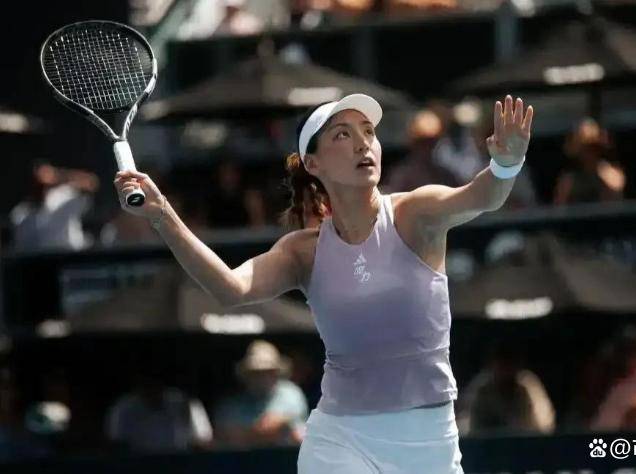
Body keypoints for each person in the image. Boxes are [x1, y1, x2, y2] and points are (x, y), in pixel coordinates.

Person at [113, 92, 534, 473]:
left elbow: (485, 195)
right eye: (342, 135)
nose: (363, 143)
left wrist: (507, 163)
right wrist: (162, 215)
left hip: (429, 440)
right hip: (340, 437)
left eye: (368, 132)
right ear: (313, 164)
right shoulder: (303, 252)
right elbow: (229, 288)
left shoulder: (415, 213)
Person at [213, 340, 308, 447]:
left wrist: (251, 433)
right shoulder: (231, 405)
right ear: (246, 375)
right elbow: (227, 435)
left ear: (276, 373)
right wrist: (258, 432)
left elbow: (290, 429)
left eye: (268, 372)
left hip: (286, 456)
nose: (263, 378)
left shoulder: (291, 394)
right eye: (256, 373)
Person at [457, 341, 555, 435]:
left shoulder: (528, 388)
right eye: (501, 363)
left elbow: (544, 427)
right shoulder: (481, 390)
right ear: (492, 365)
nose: (505, 370)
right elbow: (467, 429)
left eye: (509, 363)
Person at [106, 369, 212, 453]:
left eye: (154, 383)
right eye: (146, 384)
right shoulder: (123, 408)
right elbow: (116, 445)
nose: (151, 389)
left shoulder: (187, 403)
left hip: (181, 465)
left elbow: (204, 442)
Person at [10, 162, 99, 251]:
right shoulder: (20, 214)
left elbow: (91, 183)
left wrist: (59, 175)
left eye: (45, 184)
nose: (41, 188)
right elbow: (22, 247)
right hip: (42, 257)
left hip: (71, 254)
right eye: (37, 184)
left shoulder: (64, 196)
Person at [553, 118, 624, 205]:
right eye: (584, 149)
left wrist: (602, 176)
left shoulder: (610, 174)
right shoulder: (568, 180)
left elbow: (617, 197)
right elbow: (559, 206)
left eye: (592, 148)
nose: (589, 154)